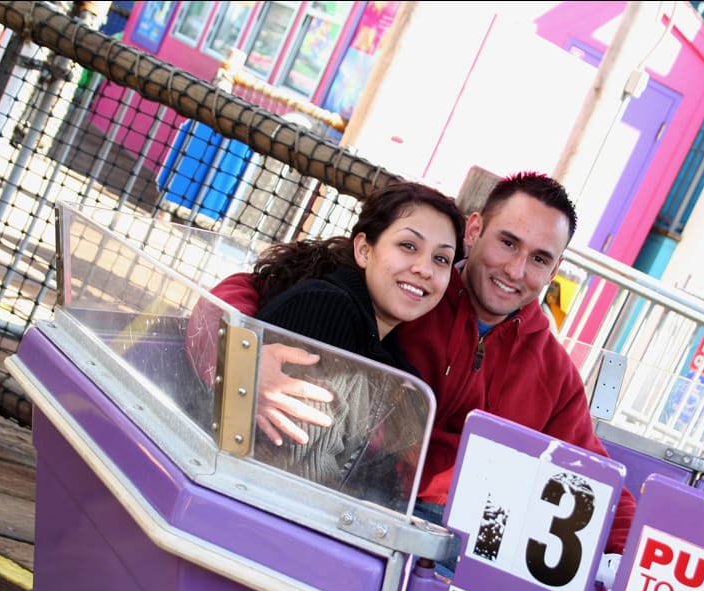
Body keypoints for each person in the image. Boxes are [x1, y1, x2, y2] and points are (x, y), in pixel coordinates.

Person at [193, 171, 637, 558]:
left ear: (555, 268)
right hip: (355, 504)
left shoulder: (553, 371)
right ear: (476, 230)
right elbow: (250, 290)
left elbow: (592, 474)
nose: (517, 270)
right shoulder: (405, 293)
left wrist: (638, 557)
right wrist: (240, 358)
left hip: (460, 534)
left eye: (539, 259)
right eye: (508, 243)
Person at [187, 180, 464, 500]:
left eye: (441, 259)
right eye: (408, 246)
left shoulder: (387, 349)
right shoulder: (329, 308)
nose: (424, 269)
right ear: (364, 249)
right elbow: (295, 465)